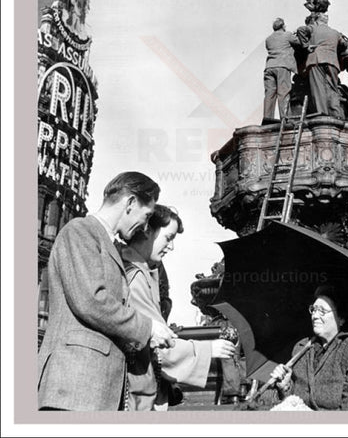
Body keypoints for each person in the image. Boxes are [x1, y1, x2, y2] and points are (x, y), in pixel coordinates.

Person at [38, 172, 177, 411]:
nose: (145, 226)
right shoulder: (80, 230)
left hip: (91, 389)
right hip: (75, 386)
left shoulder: (106, 242)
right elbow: (92, 301)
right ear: (130, 203)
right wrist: (149, 327)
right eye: (146, 216)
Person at [121, 204, 236, 410]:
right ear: (147, 231)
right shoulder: (136, 277)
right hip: (136, 397)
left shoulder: (138, 270)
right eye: (168, 237)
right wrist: (207, 349)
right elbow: (154, 345)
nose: (171, 246)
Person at [263, 285, 348, 411]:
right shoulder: (301, 348)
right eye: (313, 309)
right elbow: (294, 400)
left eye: (322, 311)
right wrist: (285, 388)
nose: (314, 316)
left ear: (341, 319)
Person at [304, 12, 348, 120]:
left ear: (316, 21)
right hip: (332, 62)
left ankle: (322, 114)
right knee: (333, 89)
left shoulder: (312, 28)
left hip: (316, 60)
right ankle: (337, 114)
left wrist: (306, 46)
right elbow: (345, 45)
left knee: (318, 88)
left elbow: (300, 30)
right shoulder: (335, 32)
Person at [263, 18, 300, 122]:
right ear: (283, 26)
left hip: (269, 67)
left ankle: (267, 118)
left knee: (269, 94)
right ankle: (286, 118)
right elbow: (298, 43)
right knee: (283, 93)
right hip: (282, 66)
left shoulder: (268, 39)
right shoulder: (287, 35)